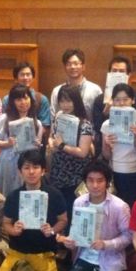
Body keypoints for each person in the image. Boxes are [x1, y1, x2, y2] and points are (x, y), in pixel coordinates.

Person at [0, 150, 68, 271]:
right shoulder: (13, 196)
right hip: (18, 252)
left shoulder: (54, 194)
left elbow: (63, 220)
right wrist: (14, 230)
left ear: (43, 170)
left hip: (43, 253)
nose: (31, 172)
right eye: (26, 168)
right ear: (20, 172)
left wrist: (52, 230)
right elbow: (6, 223)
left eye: (36, 167)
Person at [60, 160, 131, 271]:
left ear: (107, 182)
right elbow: (75, 231)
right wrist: (71, 242)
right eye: (90, 180)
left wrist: (106, 244)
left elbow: (128, 236)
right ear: (85, 182)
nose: (95, 185)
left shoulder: (119, 206)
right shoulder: (79, 202)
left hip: (110, 259)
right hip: (84, 258)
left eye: (100, 181)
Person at [48, 84, 94, 228]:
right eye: (62, 101)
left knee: (73, 210)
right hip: (58, 171)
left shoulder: (84, 124)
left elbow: (83, 152)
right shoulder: (58, 117)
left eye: (68, 101)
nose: (65, 105)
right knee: (58, 211)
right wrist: (51, 143)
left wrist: (62, 146)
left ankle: (71, 239)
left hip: (75, 174)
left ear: (76, 101)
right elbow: (52, 136)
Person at [101, 83, 136, 208]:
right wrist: (107, 145)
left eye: (125, 99)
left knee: (134, 208)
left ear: (133, 100)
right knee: (116, 209)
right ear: (112, 102)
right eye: (117, 100)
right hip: (115, 172)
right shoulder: (107, 124)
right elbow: (106, 156)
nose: (121, 103)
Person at [0, 84, 43, 198]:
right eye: (18, 99)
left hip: (26, 164)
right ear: (13, 102)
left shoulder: (37, 123)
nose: (23, 102)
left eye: (25, 98)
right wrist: (8, 143)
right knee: (6, 195)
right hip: (7, 162)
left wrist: (37, 145)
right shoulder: (4, 118)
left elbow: (37, 148)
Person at [91, 56, 136, 153]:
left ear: (129, 75)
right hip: (109, 147)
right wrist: (106, 113)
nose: (117, 74)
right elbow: (97, 128)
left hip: (133, 149)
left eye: (121, 71)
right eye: (114, 71)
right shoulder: (99, 100)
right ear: (109, 73)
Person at [3, 62, 51, 143]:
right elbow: (4, 123)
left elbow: (45, 125)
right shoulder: (7, 99)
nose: (25, 78)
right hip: (12, 142)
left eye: (28, 74)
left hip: (34, 142)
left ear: (33, 77)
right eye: (22, 75)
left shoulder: (42, 99)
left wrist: (31, 138)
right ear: (16, 78)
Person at [50, 49, 102, 121]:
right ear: (64, 67)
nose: (73, 67)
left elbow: (99, 116)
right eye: (69, 64)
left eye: (76, 63)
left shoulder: (95, 90)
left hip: (88, 127)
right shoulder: (57, 91)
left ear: (83, 66)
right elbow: (53, 117)